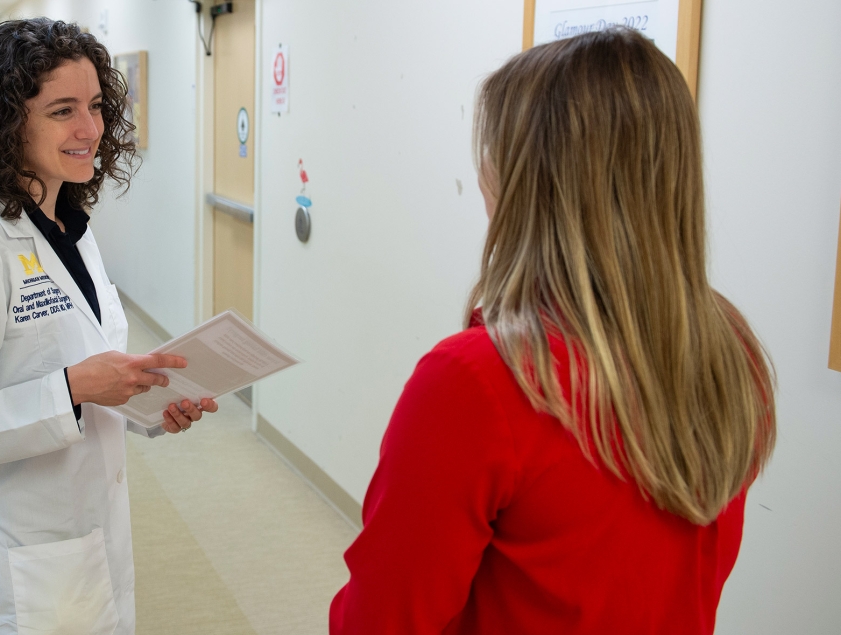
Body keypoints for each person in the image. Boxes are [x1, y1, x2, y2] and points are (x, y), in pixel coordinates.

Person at [330, 28, 776, 634]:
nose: (485, 178)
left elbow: (378, 623)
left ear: (528, 184)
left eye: (496, 156)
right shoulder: (729, 349)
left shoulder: (478, 383)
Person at [0, 18, 217, 634]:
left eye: (98, 106)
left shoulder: (71, 231)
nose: (90, 129)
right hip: (18, 570)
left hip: (88, 548)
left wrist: (149, 403)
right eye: (62, 110)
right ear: (7, 121)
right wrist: (73, 389)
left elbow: (82, 376)